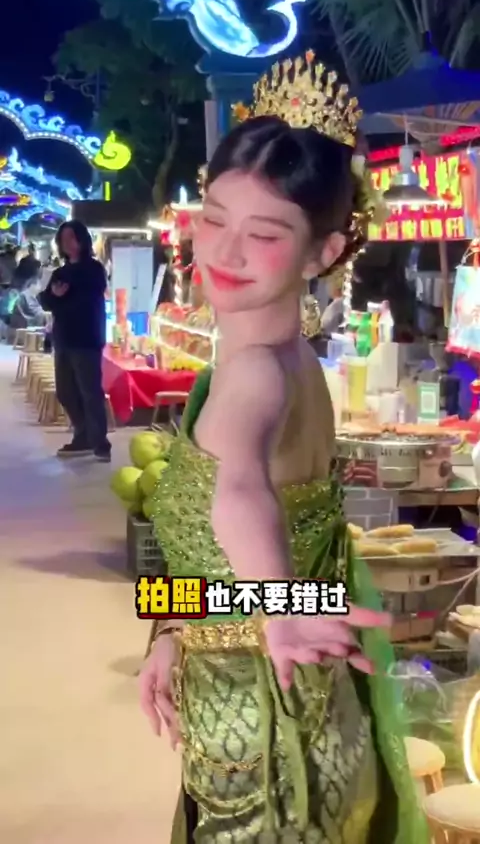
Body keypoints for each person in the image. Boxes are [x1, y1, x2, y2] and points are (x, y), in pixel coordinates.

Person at [139, 55, 429, 843]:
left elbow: (238, 495)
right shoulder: (284, 360)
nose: (224, 251)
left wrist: (277, 611)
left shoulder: (258, 376)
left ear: (323, 252)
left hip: (271, 754)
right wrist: (170, 629)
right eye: (214, 218)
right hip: (272, 713)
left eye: (264, 233)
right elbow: (269, 581)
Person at [38, 220, 110, 462]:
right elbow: (45, 301)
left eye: (71, 237)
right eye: (63, 239)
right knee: (65, 391)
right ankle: (83, 435)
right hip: (64, 339)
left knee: (90, 392)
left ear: (82, 240)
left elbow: (88, 296)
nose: (67, 243)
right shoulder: (60, 273)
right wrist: (55, 295)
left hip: (87, 339)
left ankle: (100, 442)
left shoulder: (94, 269)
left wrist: (62, 297)